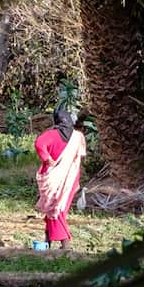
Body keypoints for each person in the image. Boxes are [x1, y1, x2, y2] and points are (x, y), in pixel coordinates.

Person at [34, 104, 87, 250]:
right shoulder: (78, 136)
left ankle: (65, 244)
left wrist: (46, 158)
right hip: (70, 179)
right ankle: (47, 241)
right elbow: (79, 158)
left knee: (55, 210)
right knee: (59, 209)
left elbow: (39, 143)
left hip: (52, 179)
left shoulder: (52, 134)